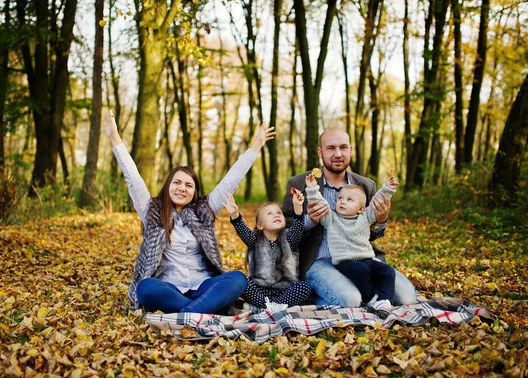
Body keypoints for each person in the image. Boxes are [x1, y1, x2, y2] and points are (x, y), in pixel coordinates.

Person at [104, 110, 275, 313]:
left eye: (188, 185)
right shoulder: (152, 210)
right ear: (168, 186)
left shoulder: (204, 210)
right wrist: (114, 137)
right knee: (145, 287)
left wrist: (255, 146)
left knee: (237, 279)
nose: (182, 188)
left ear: (194, 192)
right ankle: (202, 311)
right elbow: (132, 178)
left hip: (203, 287)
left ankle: (187, 313)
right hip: (169, 288)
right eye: (177, 182)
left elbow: (231, 180)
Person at [282, 128, 417, 307]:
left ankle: (357, 293)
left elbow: (372, 232)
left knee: (407, 298)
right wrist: (309, 221)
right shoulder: (300, 183)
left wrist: (381, 219)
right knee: (351, 300)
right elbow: (283, 232)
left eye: (343, 147)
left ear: (350, 150)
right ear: (320, 152)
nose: (338, 154)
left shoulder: (366, 185)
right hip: (320, 261)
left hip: (361, 259)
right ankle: (313, 294)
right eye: (331, 148)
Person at [304, 172, 399, 317]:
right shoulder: (331, 218)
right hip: (345, 261)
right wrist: (312, 188)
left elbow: (377, 202)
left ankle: (384, 301)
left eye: (349, 200)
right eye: (340, 198)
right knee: (360, 271)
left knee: (387, 271)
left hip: (367, 258)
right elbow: (320, 203)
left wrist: (388, 189)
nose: (342, 202)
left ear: (361, 208)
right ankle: (370, 299)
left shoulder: (365, 216)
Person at [222, 192, 312, 309]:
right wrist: (234, 214)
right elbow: (242, 230)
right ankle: (270, 305)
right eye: (270, 214)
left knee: (304, 287)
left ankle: (271, 306)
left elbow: (298, 227)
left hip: (285, 289)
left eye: (279, 213)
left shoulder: (289, 238)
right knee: (241, 282)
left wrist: (298, 207)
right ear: (260, 225)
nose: (276, 215)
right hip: (260, 289)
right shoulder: (255, 240)